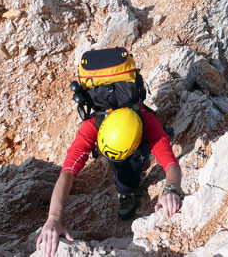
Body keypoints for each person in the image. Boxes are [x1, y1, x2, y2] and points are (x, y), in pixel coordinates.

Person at [36, 105, 182, 257]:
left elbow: (171, 164)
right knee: (118, 168)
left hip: (141, 141)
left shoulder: (148, 122)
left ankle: (127, 187)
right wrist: (53, 218)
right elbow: (67, 173)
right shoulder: (93, 124)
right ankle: (122, 178)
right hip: (118, 141)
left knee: (128, 177)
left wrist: (171, 190)